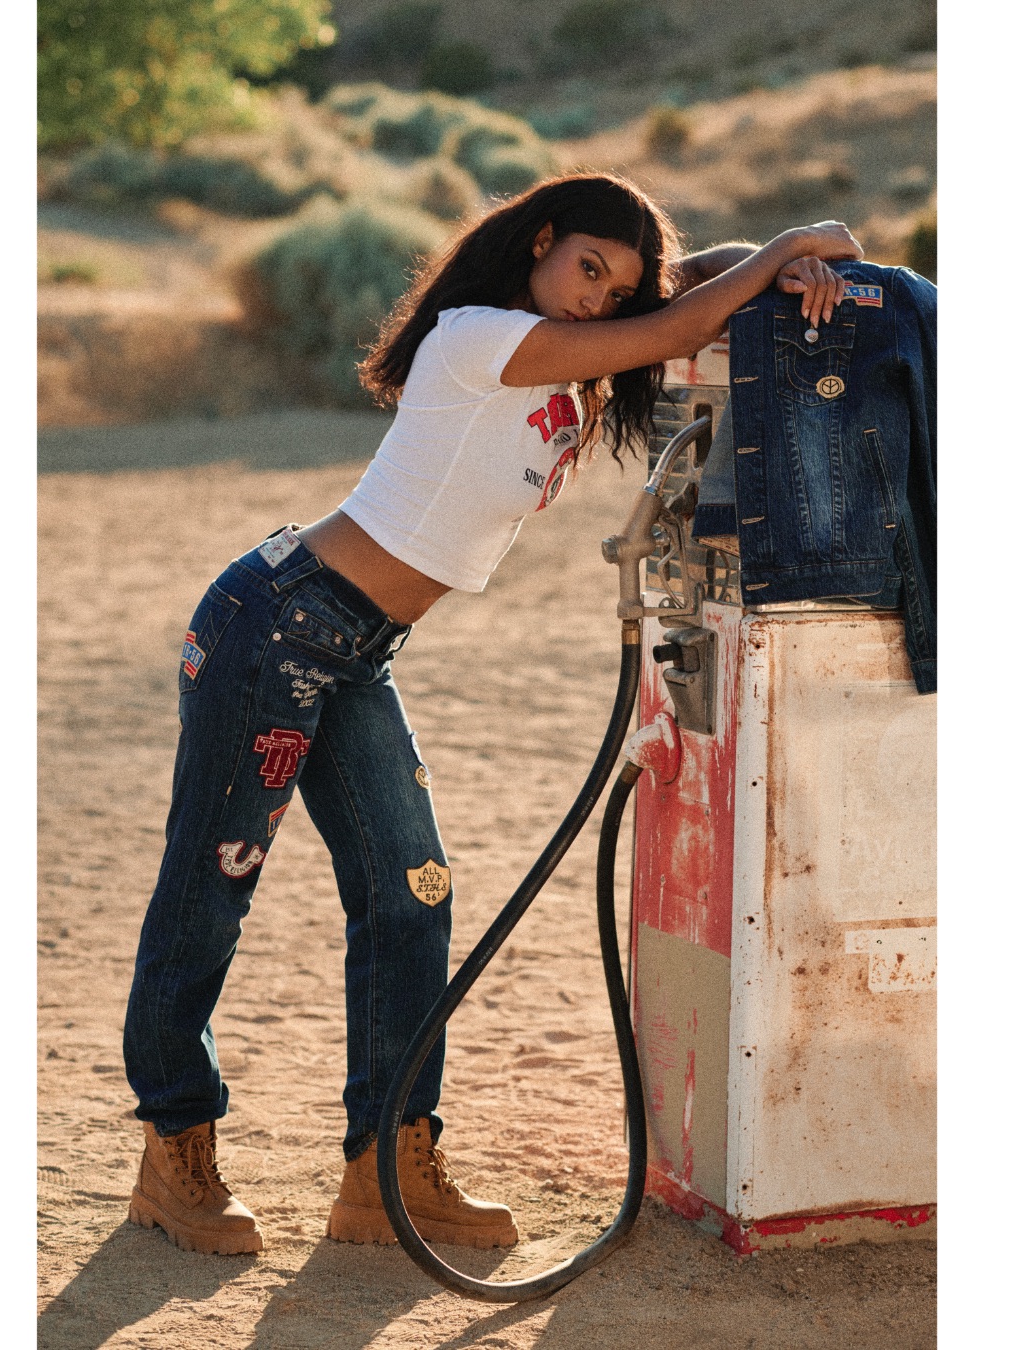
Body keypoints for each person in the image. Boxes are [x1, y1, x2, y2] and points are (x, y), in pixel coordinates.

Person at [123, 173, 861, 1256]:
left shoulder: (591, 333)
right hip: (275, 627)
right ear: (540, 243)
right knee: (214, 880)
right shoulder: (479, 335)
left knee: (412, 895)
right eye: (585, 269)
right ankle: (174, 1152)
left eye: (616, 287)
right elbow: (686, 313)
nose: (596, 300)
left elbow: (692, 290)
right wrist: (793, 239)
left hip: (358, 649)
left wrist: (785, 262)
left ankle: (387, 1172)